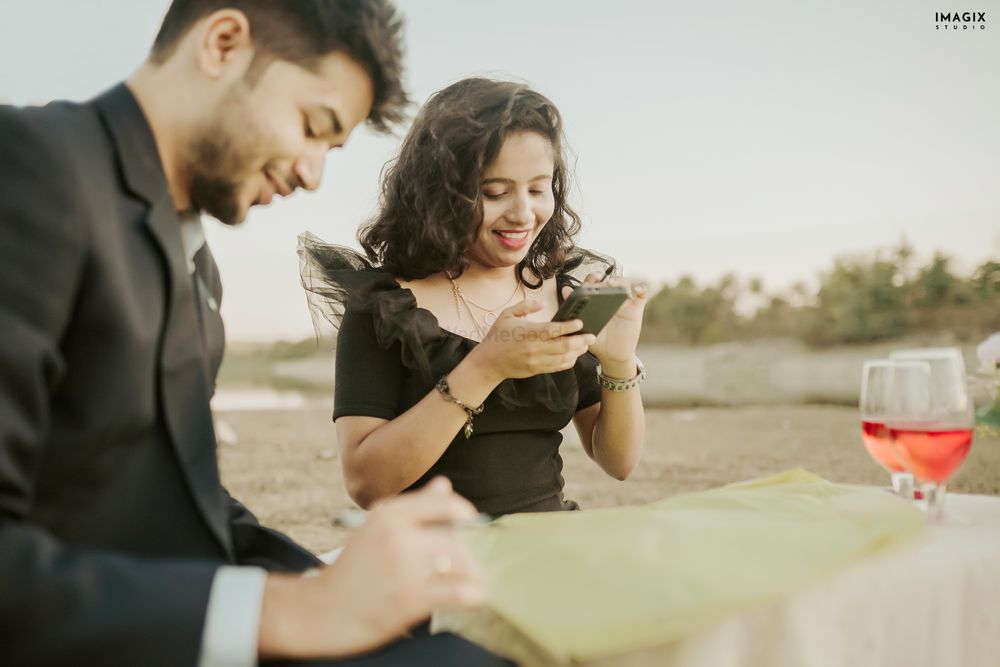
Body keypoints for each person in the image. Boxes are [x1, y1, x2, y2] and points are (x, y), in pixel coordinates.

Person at [0, 2, 512, 666]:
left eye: (330, 151)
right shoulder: (31, 166)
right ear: (222, 43)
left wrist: (342, 589)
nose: (311, 173)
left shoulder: (197, 269)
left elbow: (187, 500)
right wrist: (291, 612)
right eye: (313, 127)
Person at [299, 78, 648, 517]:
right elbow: (367, 485)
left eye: (538, 189)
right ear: (438, 193)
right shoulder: (386, 306)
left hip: (548, 546)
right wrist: (484, 368)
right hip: (436, 558)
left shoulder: (561, 290)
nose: (523, 213)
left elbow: (618, 462)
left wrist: (618, 362)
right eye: (494, 193)